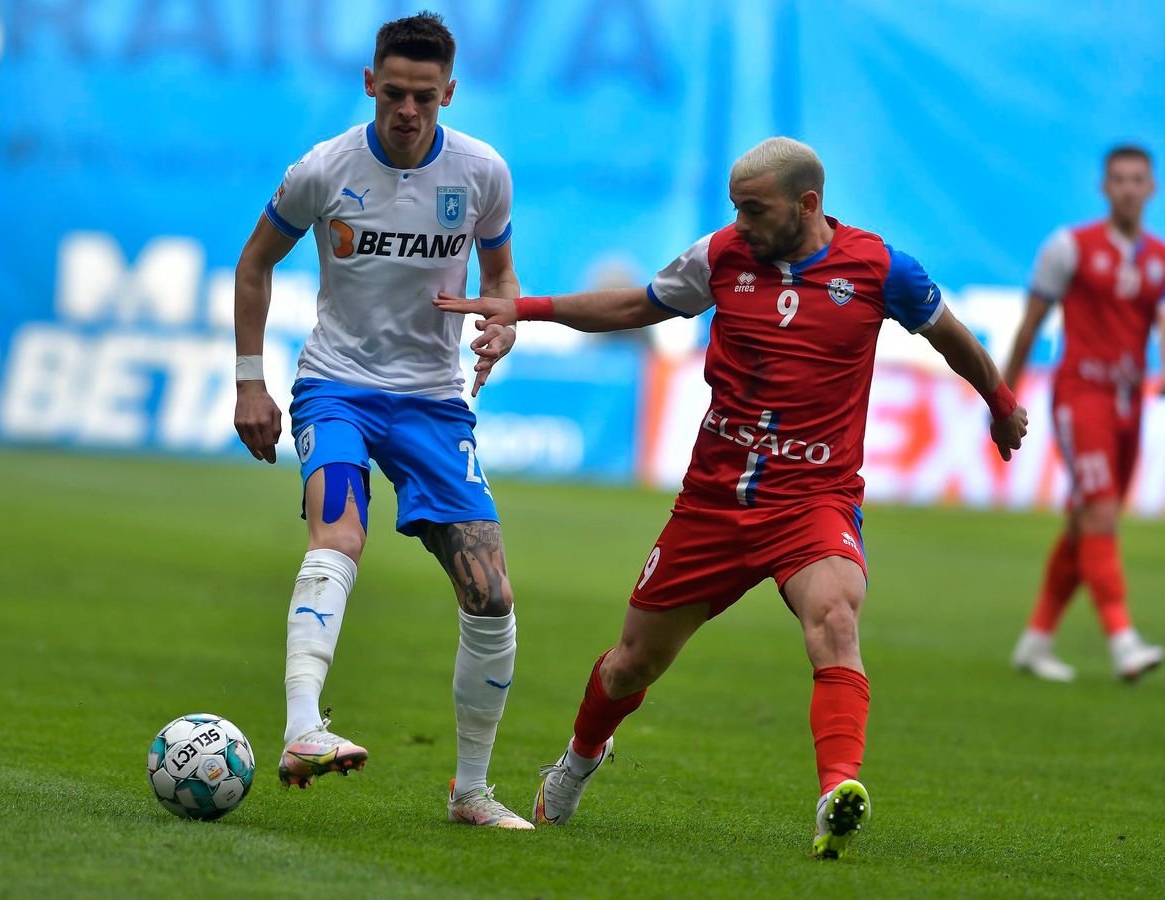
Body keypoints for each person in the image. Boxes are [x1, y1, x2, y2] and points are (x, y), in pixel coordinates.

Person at [437, 137, 1028, 859]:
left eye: (755, 209)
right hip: (715, 503)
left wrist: (999, 401)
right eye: (735, 209)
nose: (741, 223)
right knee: (631, 664)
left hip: (813, 501)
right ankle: (578, 761)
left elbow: (950, 336)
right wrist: (522, 308)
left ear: (808, 205)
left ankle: (836, 794)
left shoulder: (879, 268)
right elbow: (634, 304)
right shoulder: (721, 257)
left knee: (836, 618)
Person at [232, 11, 533, 830]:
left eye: (425, 97)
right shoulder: (325, 169)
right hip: (336, 385)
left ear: (450, 92)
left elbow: (501, 273)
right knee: (338, 539)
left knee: (492, 595)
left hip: (434, 401)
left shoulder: (482, 173)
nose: (408, 110)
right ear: (370, 83)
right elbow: (255, 262)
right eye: (394, 93)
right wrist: (251, 383)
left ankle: (470, 793)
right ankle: (302, 729)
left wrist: (501, 323)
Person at [1008, 145, 1165, 683]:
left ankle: (1035, 640)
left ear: (1151, 189)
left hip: (1129, 403)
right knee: (1101, 516)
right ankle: (1122, 641)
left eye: (1137, 179)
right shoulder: (1069, 247)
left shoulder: (1158, 258)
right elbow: (1030, 326)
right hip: (1081, 396)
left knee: (1084, 522)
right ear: (1104, 187)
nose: (1126, 188)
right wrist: (1002, 394)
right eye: (1117, 179)